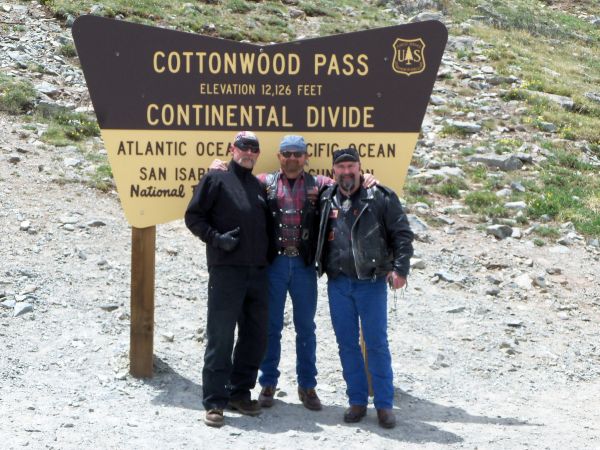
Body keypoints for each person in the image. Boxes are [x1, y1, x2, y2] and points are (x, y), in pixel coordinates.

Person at [209, 136, 377, 411]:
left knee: (306, 328)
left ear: (305, 157)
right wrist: (219, 167)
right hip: (273, 264)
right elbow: (237, 179)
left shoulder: (320, 185)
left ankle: (307, 386)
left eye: (297, 154)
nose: (292, 158)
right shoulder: (264, 182)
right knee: (270, 327)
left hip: (303, 265)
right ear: (278, 156)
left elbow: (349, 185)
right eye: (287, 153)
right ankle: (268, 384)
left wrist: (367, 177)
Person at [315, 147, 414, 429]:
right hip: (338, 283)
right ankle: (357, 401)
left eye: (351, 167)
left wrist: (401, 269)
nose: (346, 173)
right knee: (346, 344)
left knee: (376, 345)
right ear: (333, 171)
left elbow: (402, 234)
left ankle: (384, 405)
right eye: (341, 168)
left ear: (360, 168)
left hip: (371, 283)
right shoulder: (325, 198)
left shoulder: (380, 196)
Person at [185, 131, 275, 428]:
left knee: (255, 335)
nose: (248, 153)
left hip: (258, 272)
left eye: (254, 149)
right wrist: (216, 239)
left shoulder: (259, 185)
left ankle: (240, 392)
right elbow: (194, 216)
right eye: (243, 147)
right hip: (227, 270)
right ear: (232, 149)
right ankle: (215, 400)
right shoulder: (215, 178)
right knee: (221, 335)